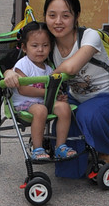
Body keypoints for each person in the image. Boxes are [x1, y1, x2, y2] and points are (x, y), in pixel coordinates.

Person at [33, 0, 109, 165]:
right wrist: (10, 73)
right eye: (52, 15)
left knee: (87, 114)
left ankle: (106, 151)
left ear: (76, 16)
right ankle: (77, 159)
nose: (58, 21)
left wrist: (52, 76)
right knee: (65, 152)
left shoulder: (89, 36)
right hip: (77, 99)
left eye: (65, 16)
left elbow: (71, 67)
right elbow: (26, 63)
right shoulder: (48, 44)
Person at [9, 22, 76, 161]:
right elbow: (23, 89)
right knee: (41, 110)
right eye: (35, 46)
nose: (40, 50)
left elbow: (52, 90)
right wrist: (47, 93)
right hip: (25, 102)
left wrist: (57, 96)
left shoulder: (49, 69)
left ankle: (60, 146)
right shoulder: (23, 64)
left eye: (45, 45)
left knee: (64, 108)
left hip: (43, 101)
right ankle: (37, 149)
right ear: (24, 48)